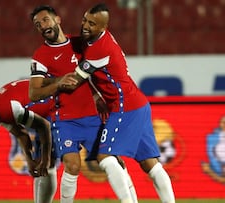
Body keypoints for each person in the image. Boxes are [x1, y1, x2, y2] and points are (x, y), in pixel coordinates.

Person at [63, 3, 176, 203]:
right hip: (138, 104)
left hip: (126, 107)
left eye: (92, 23)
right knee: (150, 164)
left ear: (103, 28)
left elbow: (74, 82)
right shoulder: (98, 40)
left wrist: (48, 82)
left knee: (104, 156)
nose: (85, 26)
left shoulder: (100, 49)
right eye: (85, 20)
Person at [29, 5, 137, 203]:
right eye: (37, 24)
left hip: (92, 117)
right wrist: (58, 83)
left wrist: (98, 97)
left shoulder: (80, 43)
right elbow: (34, 93)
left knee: (112, 161)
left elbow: (96, 71)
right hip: (65, 121)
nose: (42, 26)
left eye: (45, 20)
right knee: (72, 165)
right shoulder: (40, 56)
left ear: (57, 19)